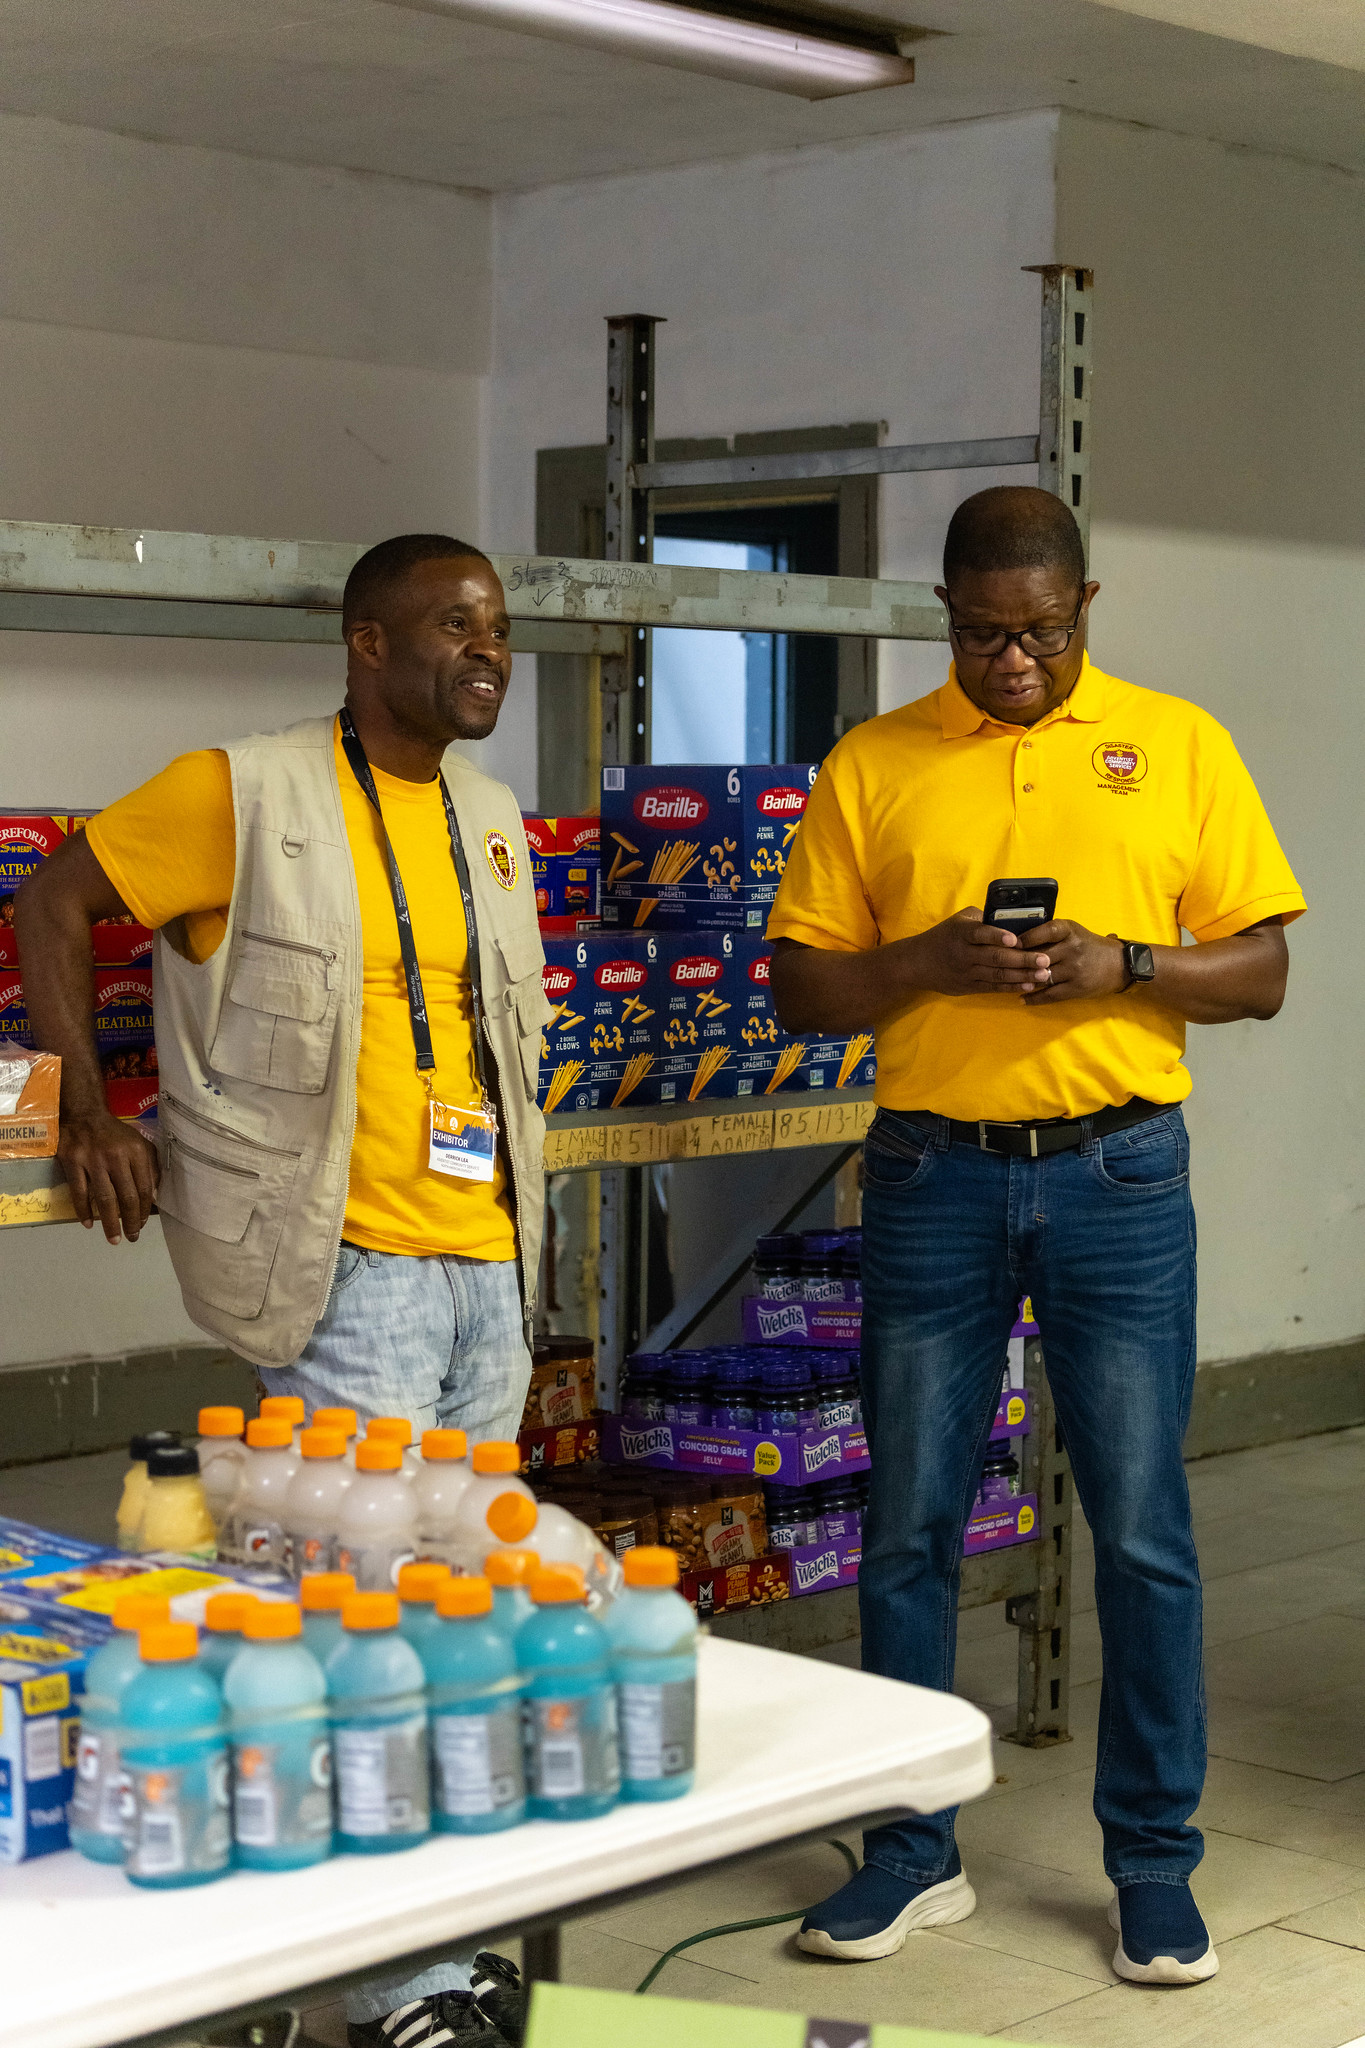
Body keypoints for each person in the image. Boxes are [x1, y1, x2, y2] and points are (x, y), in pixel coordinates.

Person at [769, 486, 1305, 1989]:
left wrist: (1120, 963)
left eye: (1042, 631)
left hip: (1117, 1177)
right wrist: (922, 962)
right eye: (982, 632)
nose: (1012, 660)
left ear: (1087, 605)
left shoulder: (1177, 744)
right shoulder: (873, 763)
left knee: (1140, 1528)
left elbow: (1259, 971)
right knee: (909, 1529)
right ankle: (908, 1849)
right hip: (931, 1178)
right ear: (941, 612)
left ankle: (1150, 1866)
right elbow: (800, 992)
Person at [16, 533, 546, 2048]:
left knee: (461, 1619)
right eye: (452, 625)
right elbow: (47, 908)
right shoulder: (238, 790)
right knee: (349, 1622)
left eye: (495, 628)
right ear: (364, 644)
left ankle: (426, 1950)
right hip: (340, 1274)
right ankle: (386, 1993)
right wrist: (82, 1107)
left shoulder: (490, 817)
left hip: (485, 1275)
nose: (484, 650)